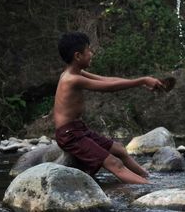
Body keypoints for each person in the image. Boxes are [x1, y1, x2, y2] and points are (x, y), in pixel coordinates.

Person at [54, 32, 165, 184]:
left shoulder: (77, 73)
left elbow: (108, 80)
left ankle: (149, 177)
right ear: (78, 56)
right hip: (69, 135)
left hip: (78, 129)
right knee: (114, 163)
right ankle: (151, 188)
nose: (92, 54)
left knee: (119, 149)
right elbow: (109, 87)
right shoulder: (72, 79)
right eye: (89, 51)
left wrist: (141, 82)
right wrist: (141, 80)